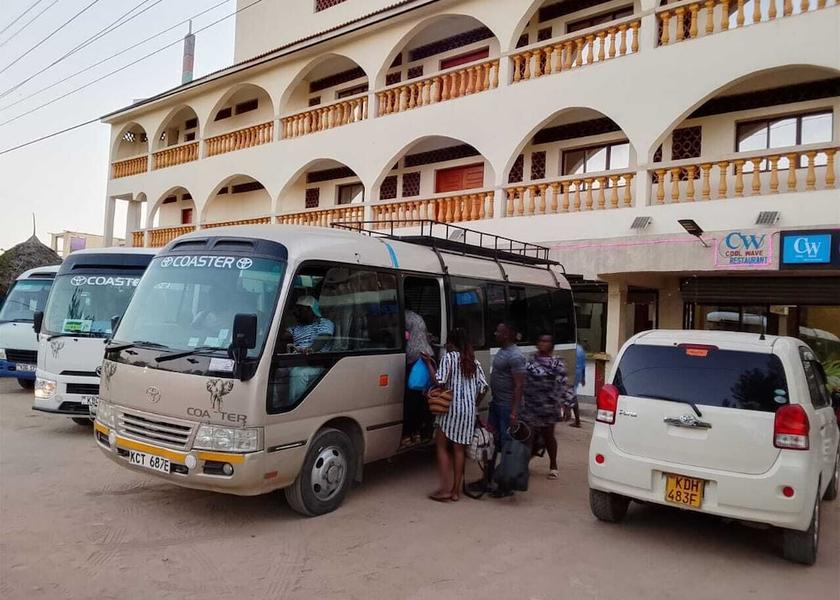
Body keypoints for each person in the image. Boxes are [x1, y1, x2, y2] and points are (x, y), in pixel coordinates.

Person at [429, 328, 487, 503]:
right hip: (468, 411)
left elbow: (439, 381)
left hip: (450, 409)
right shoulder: (473, 361)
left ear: (451, 342)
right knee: (459, 450)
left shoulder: (449, 358)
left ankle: (445, 489)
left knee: (441, 446)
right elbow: (484, 387)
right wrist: (474, 404)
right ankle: (455, 491)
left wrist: (428, 364)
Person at [520, 334, 575, 479]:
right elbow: (523, 382)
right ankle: (523, 466)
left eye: (546, 341)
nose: (543, 343)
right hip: (532, 405)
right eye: (540, 341)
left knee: (548, 436)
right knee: (528, 436)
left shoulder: (557, 363)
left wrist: (568, 405)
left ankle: (553, 465)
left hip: (549, 406)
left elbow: (564, 384)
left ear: (552, 344)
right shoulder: (530, 362)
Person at [486, 322, 526, 497]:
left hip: (506, 407)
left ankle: (506, 485)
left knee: (508, 445)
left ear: (508, 334)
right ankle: (488, 478)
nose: (496, 333)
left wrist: (514, 412)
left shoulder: (516, 356)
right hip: (496, 403)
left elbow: (519, 385)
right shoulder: (502, 351)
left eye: (499, 332)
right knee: (491, 441)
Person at [403, 309, 434, 446]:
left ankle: (409, 434)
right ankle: (418, 432)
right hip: (427, 355)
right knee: (422, 397)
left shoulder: (403, 316)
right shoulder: (418, 317)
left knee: (411, 399)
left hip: (414, 358)